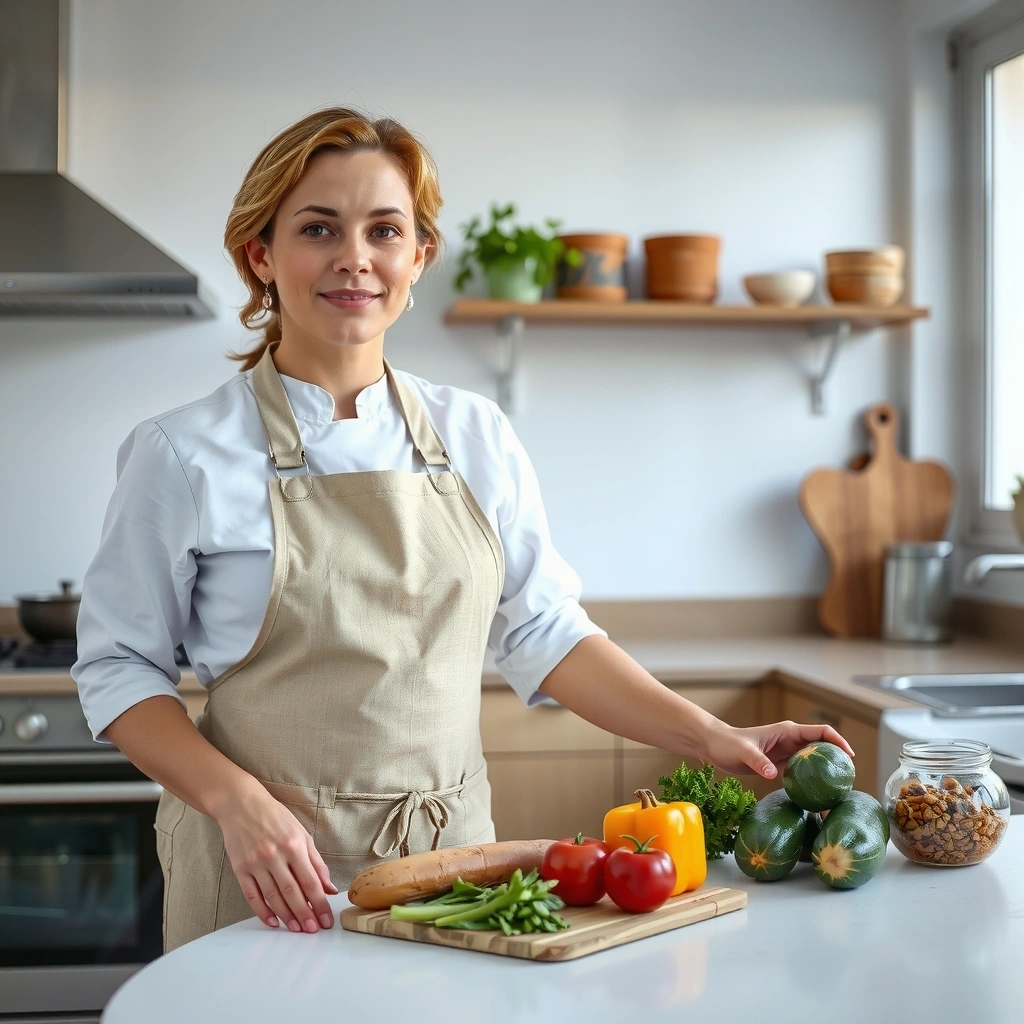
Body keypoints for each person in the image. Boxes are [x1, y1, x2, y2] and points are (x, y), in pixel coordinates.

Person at [72, 107, 854, 954]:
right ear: (261, 255)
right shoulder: (182, 453)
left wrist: (717, 737)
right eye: (318, 228)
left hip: (454, 868)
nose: (354, 257)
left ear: (418, 256)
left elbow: (546, 633)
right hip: (267, 871)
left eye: (384, 230)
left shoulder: (475, 435)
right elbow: (118, 666)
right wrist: (235, 802)